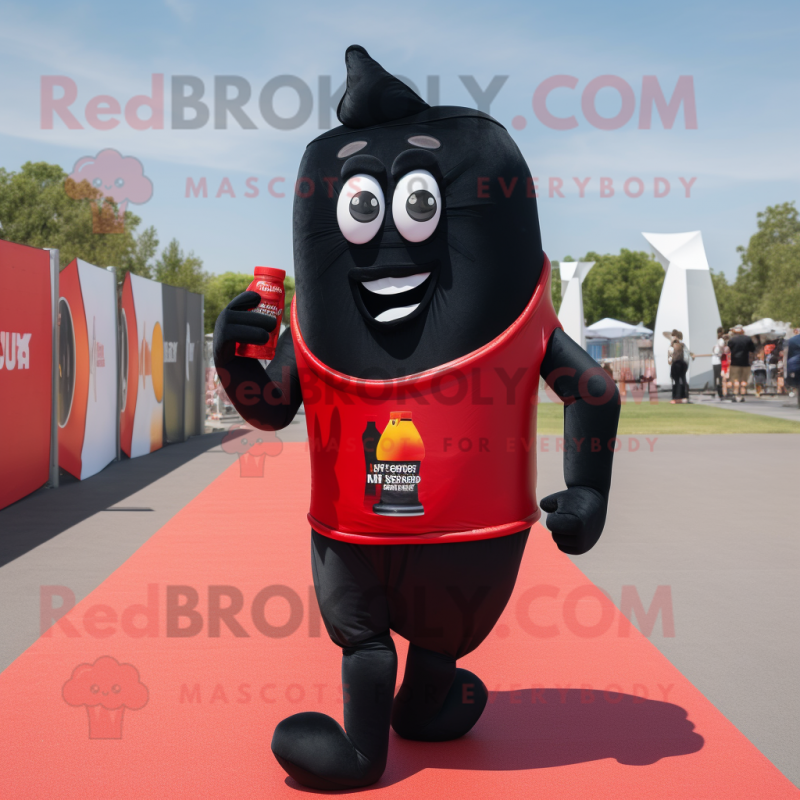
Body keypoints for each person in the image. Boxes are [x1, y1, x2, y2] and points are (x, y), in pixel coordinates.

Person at [213, 45, 620, 790]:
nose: (391, 241)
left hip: (469, 541)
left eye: (420, 208)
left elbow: (590, 391)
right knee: (365, 638)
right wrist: (237, 365)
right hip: (361, 540)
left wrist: (588, 489)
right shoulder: (310, 327)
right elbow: (272, 409)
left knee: (411, 636)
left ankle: (423, 698)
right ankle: (382, 735)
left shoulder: (519, 321)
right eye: (361, 210)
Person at [727, 325, 755, 402]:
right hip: (745, 362)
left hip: (735, 362)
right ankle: (742, 396)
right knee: (743, 381)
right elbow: (752, 349)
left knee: (736, 380)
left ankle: (736, 396)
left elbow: (728, 349)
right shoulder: (748, 339)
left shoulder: (732, 340)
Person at [664, 329, 694, 403]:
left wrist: (670, 360)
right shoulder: (682, 345)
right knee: (682, 379)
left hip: (677, 364)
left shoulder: (674, 345)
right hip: (682, 363)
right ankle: (684, 396)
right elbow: (688, 352)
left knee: (677, 380)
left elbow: (670, 356)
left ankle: (677, 396)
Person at [711, 326, 726, 400]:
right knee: (719, 377)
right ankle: (719, 393)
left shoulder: (717, 341)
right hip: (718, 360)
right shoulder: (721, 341)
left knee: (716, 377)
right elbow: (720, 350)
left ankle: (715, 391)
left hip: (714, 360)